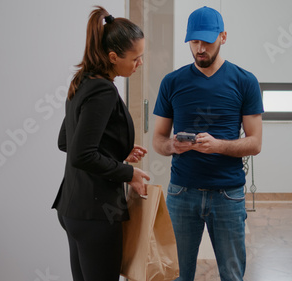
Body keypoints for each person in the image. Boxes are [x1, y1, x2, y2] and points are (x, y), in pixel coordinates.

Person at [152, 6, 264, 281]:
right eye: (194, 42)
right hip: (181, 193)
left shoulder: (245, 81)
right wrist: (173, 147)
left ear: (223, 37)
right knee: (177, 275)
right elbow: (158, 140)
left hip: (228, 194)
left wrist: (218, 146)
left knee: (232, 275)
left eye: (207, 41)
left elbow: (255, 143)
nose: (200, 48)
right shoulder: (172, 82)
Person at [52, 6, 150, 281]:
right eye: (135, 58)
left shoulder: (82, 82)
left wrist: (119, 151)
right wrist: (129, 173)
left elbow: (67, 142)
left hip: (73, 210)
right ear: (113, 57)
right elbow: (80, 154)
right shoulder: (104, 90)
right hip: (96, 213)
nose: (139, 63)